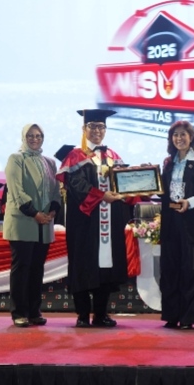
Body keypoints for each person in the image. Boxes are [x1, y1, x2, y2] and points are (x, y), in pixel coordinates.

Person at [56, 109, 132, 328]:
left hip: (109, 222)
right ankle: (82, 315)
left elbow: (124, 184)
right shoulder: (75, 156)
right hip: (84, 222)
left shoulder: (113, 156)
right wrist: (101, 196)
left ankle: (100, 314)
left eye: (101, 127)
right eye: (93, 126)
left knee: (106, 266)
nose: (97, 131)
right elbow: (76, 185)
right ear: (84, 129)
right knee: (83, 264)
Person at [158, 121, 194, 330]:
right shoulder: (168, 162)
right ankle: (172, 316)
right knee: (170, 270)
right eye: (175, 135)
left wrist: (189, 202)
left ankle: (188, 317)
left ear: (191, 137)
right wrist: (148, 180)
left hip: (193, 222)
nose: (179, 138)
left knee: (191, 270)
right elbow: (163, 192)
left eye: (183, 134)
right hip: (171, 222)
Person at [3, 124, 62, 327]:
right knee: (22, 269)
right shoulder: (16, 159)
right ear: (24, 137)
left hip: (44, 224)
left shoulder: (50, 162)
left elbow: (56, 191)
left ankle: (34, 311)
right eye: (30, 135)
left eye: (38, 136)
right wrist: (35, 214)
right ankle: (19, 312)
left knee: (37, 269)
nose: (34, 139)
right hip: (23, 221)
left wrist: (52, 211)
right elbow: (16, 191)